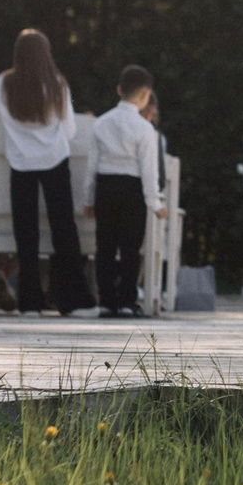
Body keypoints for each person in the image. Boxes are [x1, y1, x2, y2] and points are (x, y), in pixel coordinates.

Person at [0, 29, 92, 314]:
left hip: (21, 163)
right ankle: (73, 299)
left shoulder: (5, 83)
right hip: (55, 159)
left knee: (26, 232)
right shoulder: (57, 84)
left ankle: (30, 301)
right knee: (64, 229)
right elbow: (69, 129)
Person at [89, 66, 166, 318]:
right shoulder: (145, 129)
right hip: (132, 189)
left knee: (105, 246)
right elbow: (149, 171)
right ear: (145, 96)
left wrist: (89, 199)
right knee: (130, 248)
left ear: (119, 90)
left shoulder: (101, 123)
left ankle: (106, 301)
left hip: (105, 186)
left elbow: (92, 166)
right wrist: (155, 203)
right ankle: (126, 301)